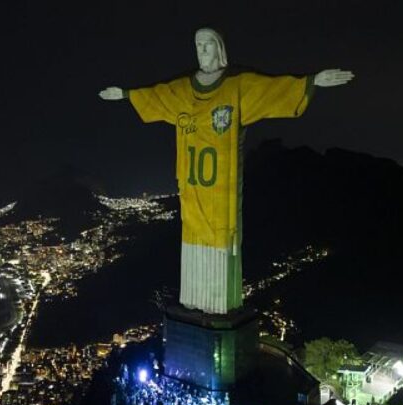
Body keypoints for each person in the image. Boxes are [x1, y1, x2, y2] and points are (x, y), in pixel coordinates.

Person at [100, 28, 353, 314]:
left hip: (221, 191)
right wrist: (125, 94)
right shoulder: (183, 90)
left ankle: (219, 308)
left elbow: (272, 90)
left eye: (208, 44)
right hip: (192, 189)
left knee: (223, 246)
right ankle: (195, 306)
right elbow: (157, 96)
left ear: (219, 48)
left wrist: (312, 82)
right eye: (197, 45)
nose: (202, 50)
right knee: (191, 241)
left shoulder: (236, 86)